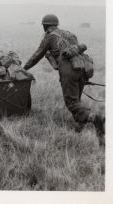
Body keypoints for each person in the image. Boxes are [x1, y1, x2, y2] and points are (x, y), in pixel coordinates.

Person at [23, 14, 105, 145]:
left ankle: (95, 118)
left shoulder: (49, 37)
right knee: (76, 99)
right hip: (83, 67)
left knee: (72, 103)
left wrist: (24, 68)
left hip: (69, 69)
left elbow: (37, 55)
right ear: (56, 24)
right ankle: (79, 127)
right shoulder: (70, 34)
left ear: (45, 26)